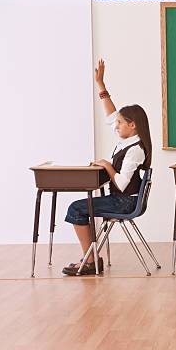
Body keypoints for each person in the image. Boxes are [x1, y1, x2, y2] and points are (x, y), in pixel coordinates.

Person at [62, 59, 152, 276]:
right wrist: (101, 84)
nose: (116, 126)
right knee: (81, 207)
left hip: (125, 202)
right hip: (124, 199)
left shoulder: (135, 149)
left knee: (76, 208)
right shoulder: (127, 141)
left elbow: (121, 183)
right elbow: (112, 114)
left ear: (132, 125)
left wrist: (107, 165)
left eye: (121, 123)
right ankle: (91, 259)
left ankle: (90, 261)